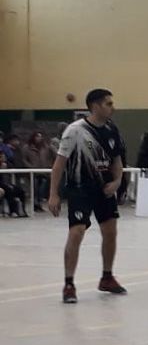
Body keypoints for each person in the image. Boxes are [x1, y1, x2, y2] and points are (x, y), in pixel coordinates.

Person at [48, 89, 128, 304]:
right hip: (80, 189)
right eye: (108, 103)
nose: (113, 107)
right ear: (95, 106)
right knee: (77, 233)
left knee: (110, 232)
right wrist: (53, 194)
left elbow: (117, 161)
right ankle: (69, 284)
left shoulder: (112, 130)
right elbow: (59, 163)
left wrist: (117, 182)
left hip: (104, 190)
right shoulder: (75, 131)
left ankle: (107, 277)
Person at [24, 131, 53, 212]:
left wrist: (50, 165)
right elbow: (24, 159)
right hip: (33, 172)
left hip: (43, 172)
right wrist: (30, 166)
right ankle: (35, 204)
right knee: (34, 188)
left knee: (42, 189)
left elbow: (54, 155)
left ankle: (39, 204)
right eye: (37, 136)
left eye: (40, 136)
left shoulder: (46, 147)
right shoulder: (27, 147)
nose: (39, 138)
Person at [0, 152, 28, 217]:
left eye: (4, 157)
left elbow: (13, 168)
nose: (3, 158)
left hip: (8, 183)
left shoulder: (8, 164)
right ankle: (13, 211)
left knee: (20, 190)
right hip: (2, 185)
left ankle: (22, 210)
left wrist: (6, 165)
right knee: (9, 190)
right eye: (1, 157)